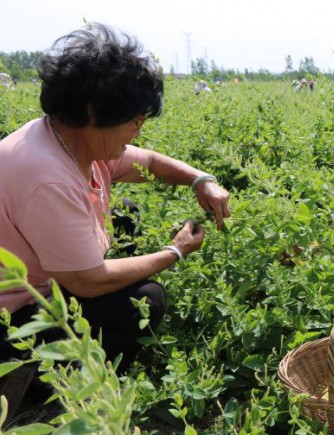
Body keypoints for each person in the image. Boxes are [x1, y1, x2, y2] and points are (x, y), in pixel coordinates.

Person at [0, 24, 231, 378]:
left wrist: (202, 180)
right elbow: (87, 281)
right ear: (95, 112)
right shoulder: (46, 177)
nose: (139, 131)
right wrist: (176, 251)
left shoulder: (68, 136)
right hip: (14, 323)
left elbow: (151, 163)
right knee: (145, 301)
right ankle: (53, 380)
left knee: (126, 214)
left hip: (47, 274)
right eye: (135, 121)